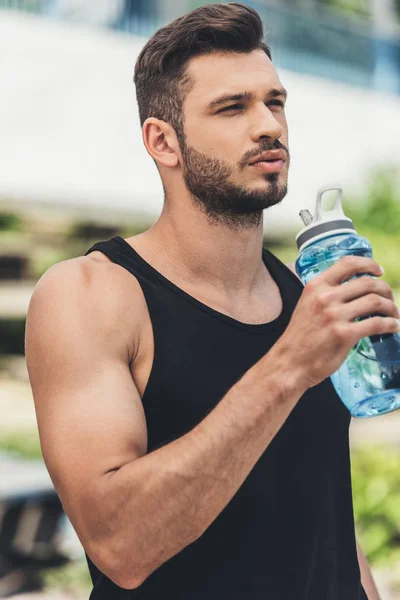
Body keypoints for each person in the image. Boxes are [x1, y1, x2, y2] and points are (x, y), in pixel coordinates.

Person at [24, 3, 398, 598]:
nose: (268, 125)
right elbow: (119, 544)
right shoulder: (90, 295)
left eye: (274, 102)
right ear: (162, 141)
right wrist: (288, 367)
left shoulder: (304, 298)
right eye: (232, 107)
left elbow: (326, 517)